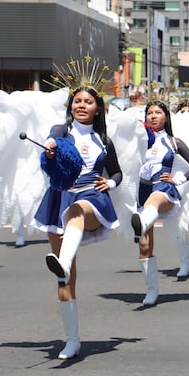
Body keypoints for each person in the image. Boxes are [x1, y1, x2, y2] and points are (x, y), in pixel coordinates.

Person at [32, 86, 123, 360]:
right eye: (77, 101)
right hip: (58, 197)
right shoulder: (61, 131)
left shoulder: (104, 141)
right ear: (71, 106)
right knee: (65, 278)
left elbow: (117, 172)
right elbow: (51, 142)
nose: (82, 105)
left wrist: (110, 181)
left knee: (77, 211)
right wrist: (49, 150)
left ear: (98, 108)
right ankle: (72, 340)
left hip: (92, 198)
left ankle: (63, 260)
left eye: (88, 101)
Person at [131, 101, 189, 306]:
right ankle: (151, 290)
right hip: (142, 190)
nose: (153, 116)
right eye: (150, 113)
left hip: (164, 189)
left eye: (158, 112)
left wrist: (178, 179)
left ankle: (141, 223)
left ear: (166, 117)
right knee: (144, 246)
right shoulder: (138, 141)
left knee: (152, 204)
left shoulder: (174, 142)